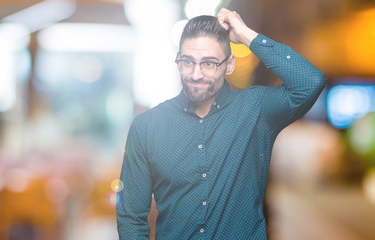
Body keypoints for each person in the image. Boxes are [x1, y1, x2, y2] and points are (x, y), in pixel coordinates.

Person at [116, 8, 326, 239]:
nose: (196, 74)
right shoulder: (147, 127)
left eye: (209, 63)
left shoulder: (256, 109)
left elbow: (310, 82)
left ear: (229, 65)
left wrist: (246, 35)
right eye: (188, 62)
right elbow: (131, 216)